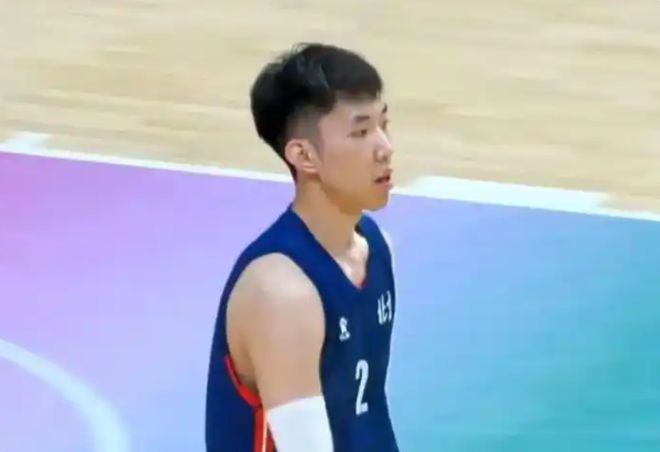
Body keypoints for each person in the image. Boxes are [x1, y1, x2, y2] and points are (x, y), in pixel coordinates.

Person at [205, 42, 399, 452]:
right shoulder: (281, 293)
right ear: (304, 156)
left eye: (384, 124)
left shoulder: (377, 249)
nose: (385, 148)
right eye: (361, 132)